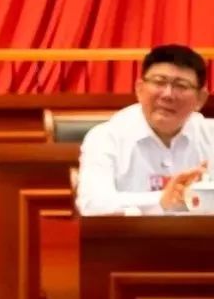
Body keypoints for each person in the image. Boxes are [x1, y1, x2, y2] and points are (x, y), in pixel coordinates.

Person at [76, 44, 213, 215]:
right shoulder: (105, 137)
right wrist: (162, 199)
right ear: (139, 89)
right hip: (129, 233)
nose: (168, 94)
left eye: (181, 86)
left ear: (201, 99)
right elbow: (92, 205)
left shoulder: (210, 136)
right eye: (159, 82)